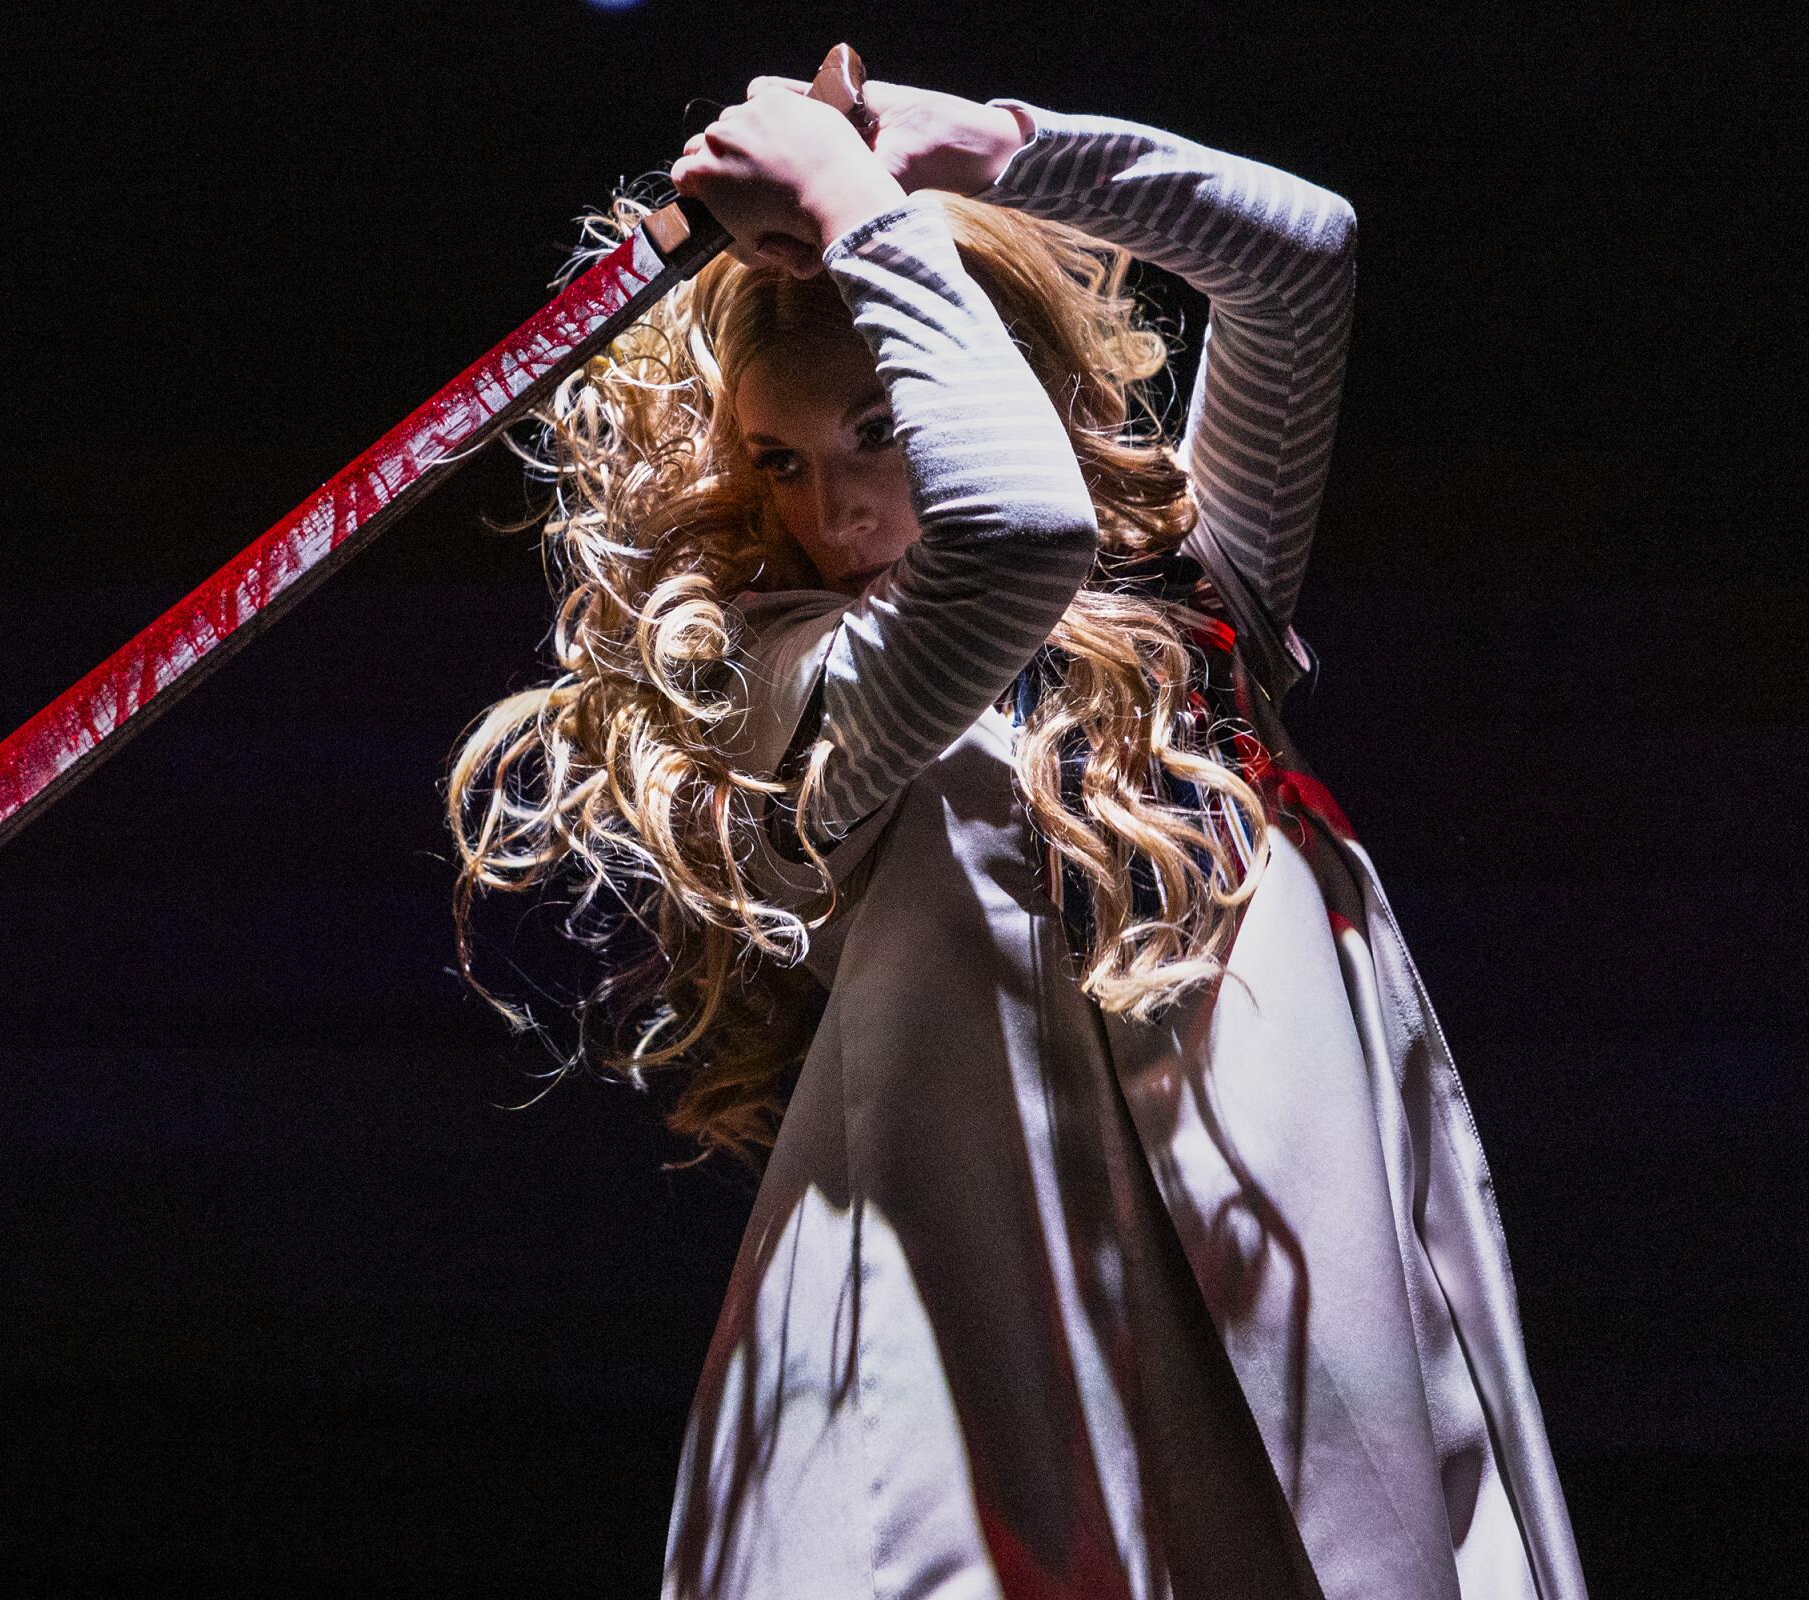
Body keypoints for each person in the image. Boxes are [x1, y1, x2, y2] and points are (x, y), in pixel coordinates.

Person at [445, 72, 1587, 1600]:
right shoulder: (794, 680)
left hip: (1296, 1287)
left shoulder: (1196, 580)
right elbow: (1013, 534)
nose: (835, 507)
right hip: (1002, 1344)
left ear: (975, 368)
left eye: (875, 427)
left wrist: (994, 147)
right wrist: (858, 222)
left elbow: (1304, 253)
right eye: (780, 462)